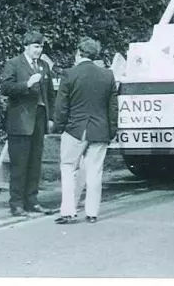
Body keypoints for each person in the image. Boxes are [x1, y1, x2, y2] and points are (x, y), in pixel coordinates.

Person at [52, 37, 118, 224]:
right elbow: (113, 107)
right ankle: (92, 213)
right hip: (100, 130)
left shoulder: (69, 74)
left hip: (76, 129)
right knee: (94, 171)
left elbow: (62, 106)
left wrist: (59, 126)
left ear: (79, 53)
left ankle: (68, 211)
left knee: (68, 168)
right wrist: (112, 130)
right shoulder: (107, 75)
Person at [0, 30, 56, 216]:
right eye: (35, 47)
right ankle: (16, 203)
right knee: (19, 163)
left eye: (40, 47)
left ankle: (32, 200)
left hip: (39, 118)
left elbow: (49, 94)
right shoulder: (14, 64)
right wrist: (26, 85)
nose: (38, 51)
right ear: (26, 46)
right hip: (20, 120)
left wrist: (50, 117)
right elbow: (5, 88)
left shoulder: (44, 66)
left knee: (35, 162)